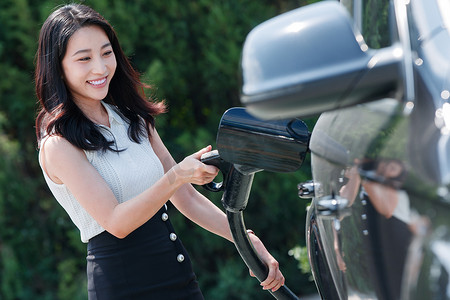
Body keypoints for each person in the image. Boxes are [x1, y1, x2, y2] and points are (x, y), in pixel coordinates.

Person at [35, 4, 285, 300]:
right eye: (83, 58)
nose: (100, 68)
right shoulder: (58, 144)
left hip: (178, 277)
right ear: (59, 68)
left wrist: (247, 241)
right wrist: (177, 175)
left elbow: (187, 198)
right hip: (124, 286)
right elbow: (117, 222)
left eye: (106, 52)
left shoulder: (133, 119)